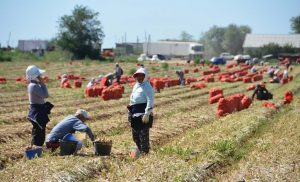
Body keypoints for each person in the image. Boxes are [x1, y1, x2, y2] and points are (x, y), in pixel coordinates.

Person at [127, 68, 154, 156]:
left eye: (141, 76)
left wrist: (147, 113)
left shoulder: (147, 86)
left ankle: (145, 153)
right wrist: (130, 109)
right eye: (138, 76)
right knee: (135, 136)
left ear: (145, 76)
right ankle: (140, 151)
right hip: (134, 113)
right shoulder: (136, 86)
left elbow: (150, 100)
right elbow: (133, 99)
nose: (139, 78)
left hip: (143, 114)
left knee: (143, 136)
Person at [26, 65, 53, 147]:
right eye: (39, 76)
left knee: (38, 130)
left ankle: (36, 147)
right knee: (39, 131)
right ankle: (37, 148)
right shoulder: (34, 86)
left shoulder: (33, 85)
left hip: (37, 109)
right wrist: (43, 84)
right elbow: (45, 95)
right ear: (35, 76)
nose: (41, 77)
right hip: (37, 111)